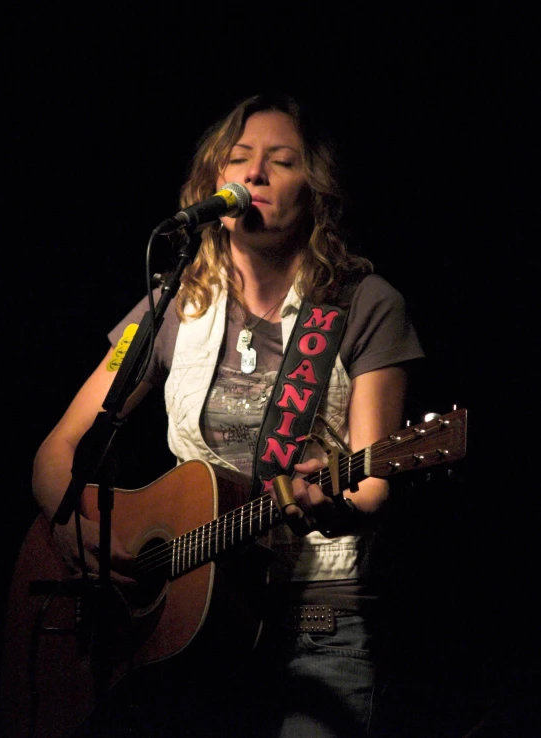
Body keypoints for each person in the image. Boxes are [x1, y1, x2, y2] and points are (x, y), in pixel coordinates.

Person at [30, 91, 425, 737]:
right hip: (188, 616)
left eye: (282, 160)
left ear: (316, 189)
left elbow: (375, 478)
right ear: (212, 181)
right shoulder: (171, 305)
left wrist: (334, 496)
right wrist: (72, 532)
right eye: (237, 159)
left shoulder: (364, 302)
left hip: (313, 615)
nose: (254, 174)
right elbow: (58, 450)